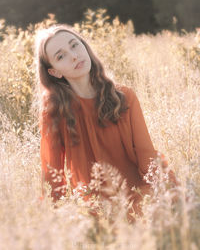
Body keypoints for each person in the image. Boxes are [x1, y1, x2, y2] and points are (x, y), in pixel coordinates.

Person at [35, 24, 180, 223]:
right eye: (61, 56)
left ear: (84, 47)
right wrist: (55, 220)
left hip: (140, 197)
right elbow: (52, 173)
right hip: (95, 210)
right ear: (54, 72)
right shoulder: (54, 113)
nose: (74, 56)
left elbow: (146, 153)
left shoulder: (125, 96)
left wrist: (167, 194)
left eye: (75, 46)